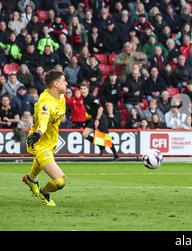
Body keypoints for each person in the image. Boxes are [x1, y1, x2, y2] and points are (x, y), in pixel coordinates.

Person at [22, 71, 68, 206]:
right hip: (40, 142)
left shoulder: (61, 97)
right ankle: (44, 192)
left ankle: (31, 179)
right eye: (63, 80)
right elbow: (43, 120)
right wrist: (38, 133)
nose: (66, 83)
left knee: (42, 161)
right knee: (60, 181)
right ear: (56, 83)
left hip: (51, 141)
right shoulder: (45, 103)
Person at [79, 82, 119, 160]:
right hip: (94, 118)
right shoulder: (83, 98)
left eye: (84, 88)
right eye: (81, 89)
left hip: (100, 118)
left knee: (106, 137)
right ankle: (101, 145)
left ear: (87, 89)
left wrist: (97, 120)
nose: (83, 90)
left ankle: (116, 155)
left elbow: (100, 108)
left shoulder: (91, 98)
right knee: (85, 134)